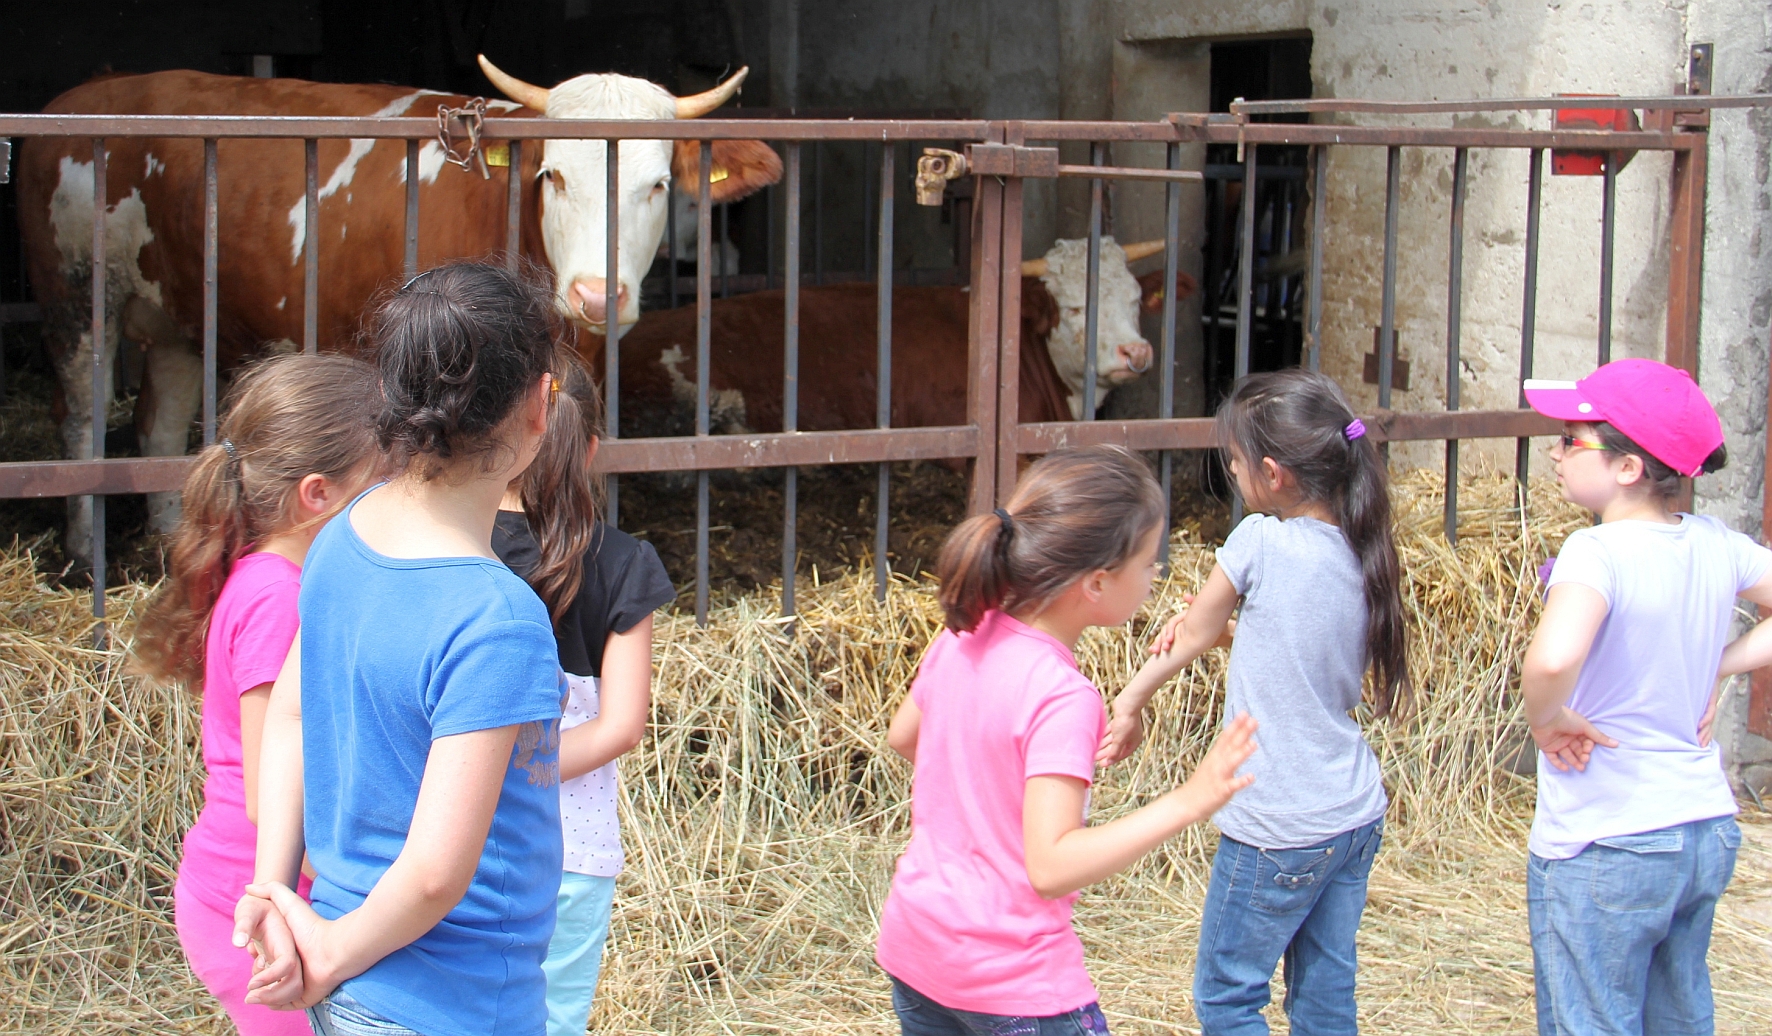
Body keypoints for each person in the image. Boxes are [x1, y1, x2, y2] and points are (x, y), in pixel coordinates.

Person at [233, 262, 569, 1036]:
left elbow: (290, 717)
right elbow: (434, 876)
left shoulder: (341, 535)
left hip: (347, 974)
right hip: (453, 1000)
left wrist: (272, 891)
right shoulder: (499, 619)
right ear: (539, 407)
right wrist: (328, 952)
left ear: (389, 393)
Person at [876, 444, 1260, 1036]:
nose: (1155, 575)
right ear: (1097, 583)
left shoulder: (965, 630)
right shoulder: (1063, 695)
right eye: (1149, 563)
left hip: (919, 950)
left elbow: (906, 736)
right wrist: (1189, 801)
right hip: (1014, 980)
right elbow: (1051, 866)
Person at [1098, 368, 1409, 1036]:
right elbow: (1308, 648)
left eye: (1236, 463)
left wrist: (1130, 701)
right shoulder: (1366, 548)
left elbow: (1191, 633)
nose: (1234, 475)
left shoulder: (1259, 541)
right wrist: (1240, 631)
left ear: (1273, 473)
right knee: (1324, 997)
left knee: (1228, 998)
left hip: (1277, 823)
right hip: (1352, 813)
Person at [133, 353, 380, 1036]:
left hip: (259, 895)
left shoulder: (267, 577)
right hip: (261, 907)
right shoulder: (278, 599)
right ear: (318, 494)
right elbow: (270, 789)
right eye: (384, 483)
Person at [1517, 358, 1762, 1036]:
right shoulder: (1717, 544)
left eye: (1571, 439)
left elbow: (1553, 658)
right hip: (1702, 829)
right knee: (1677, 1017)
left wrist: (1547, 719)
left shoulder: (1595, 552)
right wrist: (1719, 665)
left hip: (1607, 837)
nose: (1556, 453)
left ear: (1627, 467)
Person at [491, 355, 675, 1036]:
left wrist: (479, 771)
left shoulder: (452, 546)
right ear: (592, 450)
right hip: (572, 847)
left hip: (452, 835)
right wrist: (522, 770)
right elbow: (622, 726)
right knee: (553, 1019)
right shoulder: (625, 563)